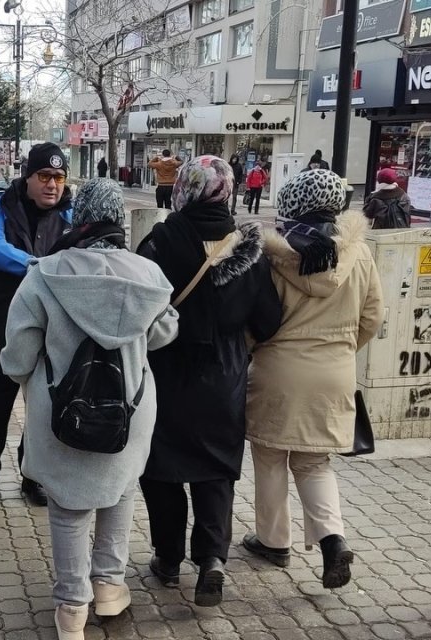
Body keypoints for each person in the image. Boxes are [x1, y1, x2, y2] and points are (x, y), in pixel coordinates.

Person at [1, 179, 178, 640]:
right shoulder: (148, 273)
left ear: (78, 216)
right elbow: (163, 334)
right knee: (120, 492)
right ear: (118, 218)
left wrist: (26, 378)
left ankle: (71, 609)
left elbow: (19, 354)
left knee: (68, 507)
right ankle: (109, 587)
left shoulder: (46, 273)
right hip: (130, 407)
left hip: (63, 410)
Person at [136, 155, 282, 607]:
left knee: (162, 469)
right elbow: (269, 321)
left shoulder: (158, 242)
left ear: (185, 188)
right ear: (228, 191)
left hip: (166, 371)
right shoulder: (248, 250)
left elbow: (138, 308)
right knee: (216, 470)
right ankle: (212, 560)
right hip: (224, 377)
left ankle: (167, 558)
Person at [243, 169, 384, 591]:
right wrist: (340, 351)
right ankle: (332, 540)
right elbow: (373, 318)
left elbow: (255, 321)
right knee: (313, 462)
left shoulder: (272, 255)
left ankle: (273, 542)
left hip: (276, 372)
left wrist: (252, 351)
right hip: (334, 374)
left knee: (270, 458)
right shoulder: (359, 254)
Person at [0, 142, 73, 509]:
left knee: (43, 405)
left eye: (59, 177)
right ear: (27, 176)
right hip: (3, 322)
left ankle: (33, 475)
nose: (52, 184)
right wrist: (37, 266)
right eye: (44, 176)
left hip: (51, 326)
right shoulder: (1, 204)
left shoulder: (71, 212)